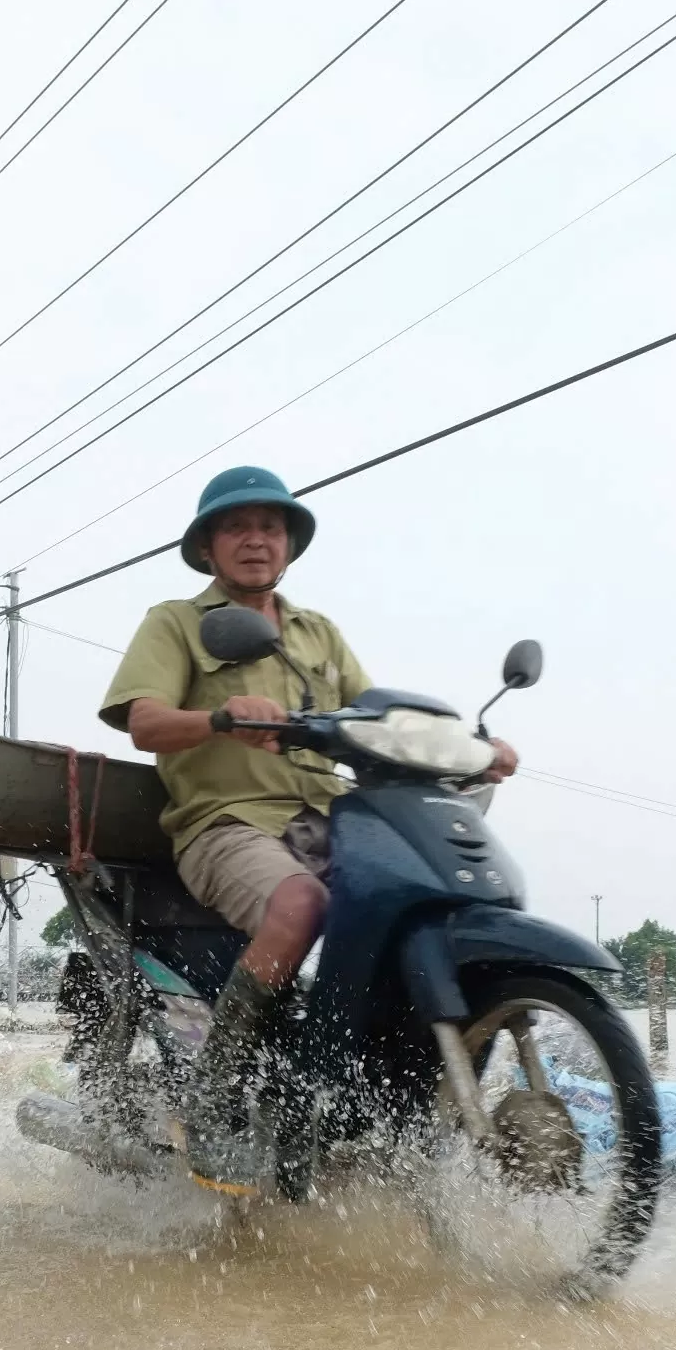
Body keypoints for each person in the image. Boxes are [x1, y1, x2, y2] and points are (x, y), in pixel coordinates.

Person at [99, 465, 517, 1194]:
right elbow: (145, 722)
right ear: (208, 545)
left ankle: (386, 1093)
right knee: (301, 905)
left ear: (289, 544)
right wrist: (223, 718)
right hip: (226, 824)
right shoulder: (178, 622)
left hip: (334, 821)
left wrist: (472, 749)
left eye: (270, 527)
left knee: (429, 903)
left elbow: (378, 717)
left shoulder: (319, 633)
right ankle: (216, 1096)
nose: (255, 539)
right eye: (237, 526)